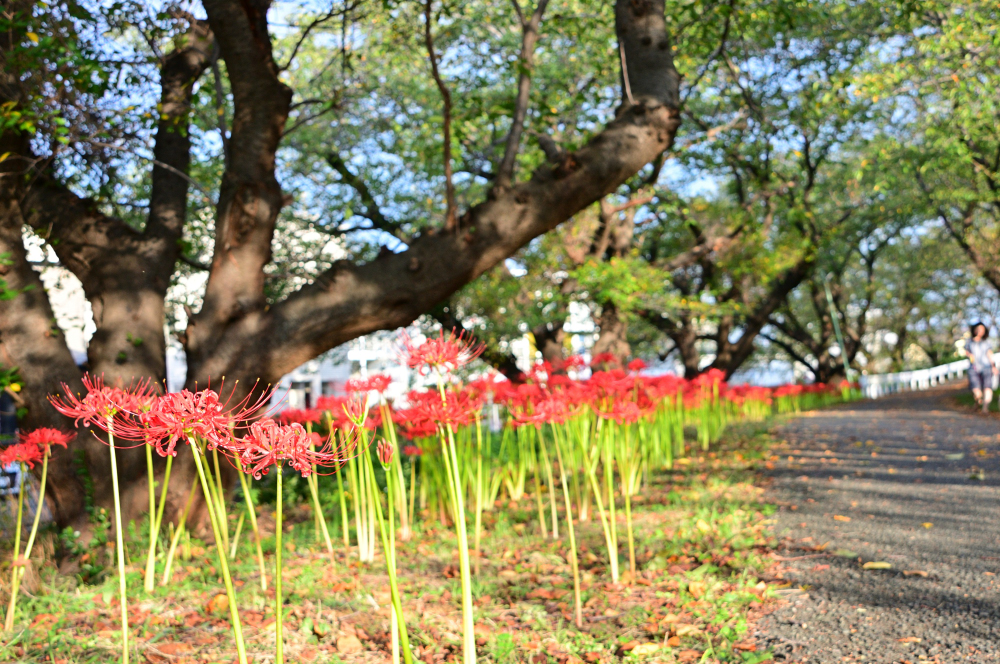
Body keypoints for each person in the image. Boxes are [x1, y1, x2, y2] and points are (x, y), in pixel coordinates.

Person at [965, 322, 999, 412]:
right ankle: (979, 400)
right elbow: (967, 352)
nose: (980, 331)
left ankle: (985, 409)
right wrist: (970, 355)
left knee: (987, 387)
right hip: (973, 368)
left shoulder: (986, 342)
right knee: (976, 389)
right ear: (974, 330)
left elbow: (989, 354)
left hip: (986, 367)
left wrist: (993, 366)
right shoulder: (969, 341)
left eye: (982, 329)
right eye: (978, 329)